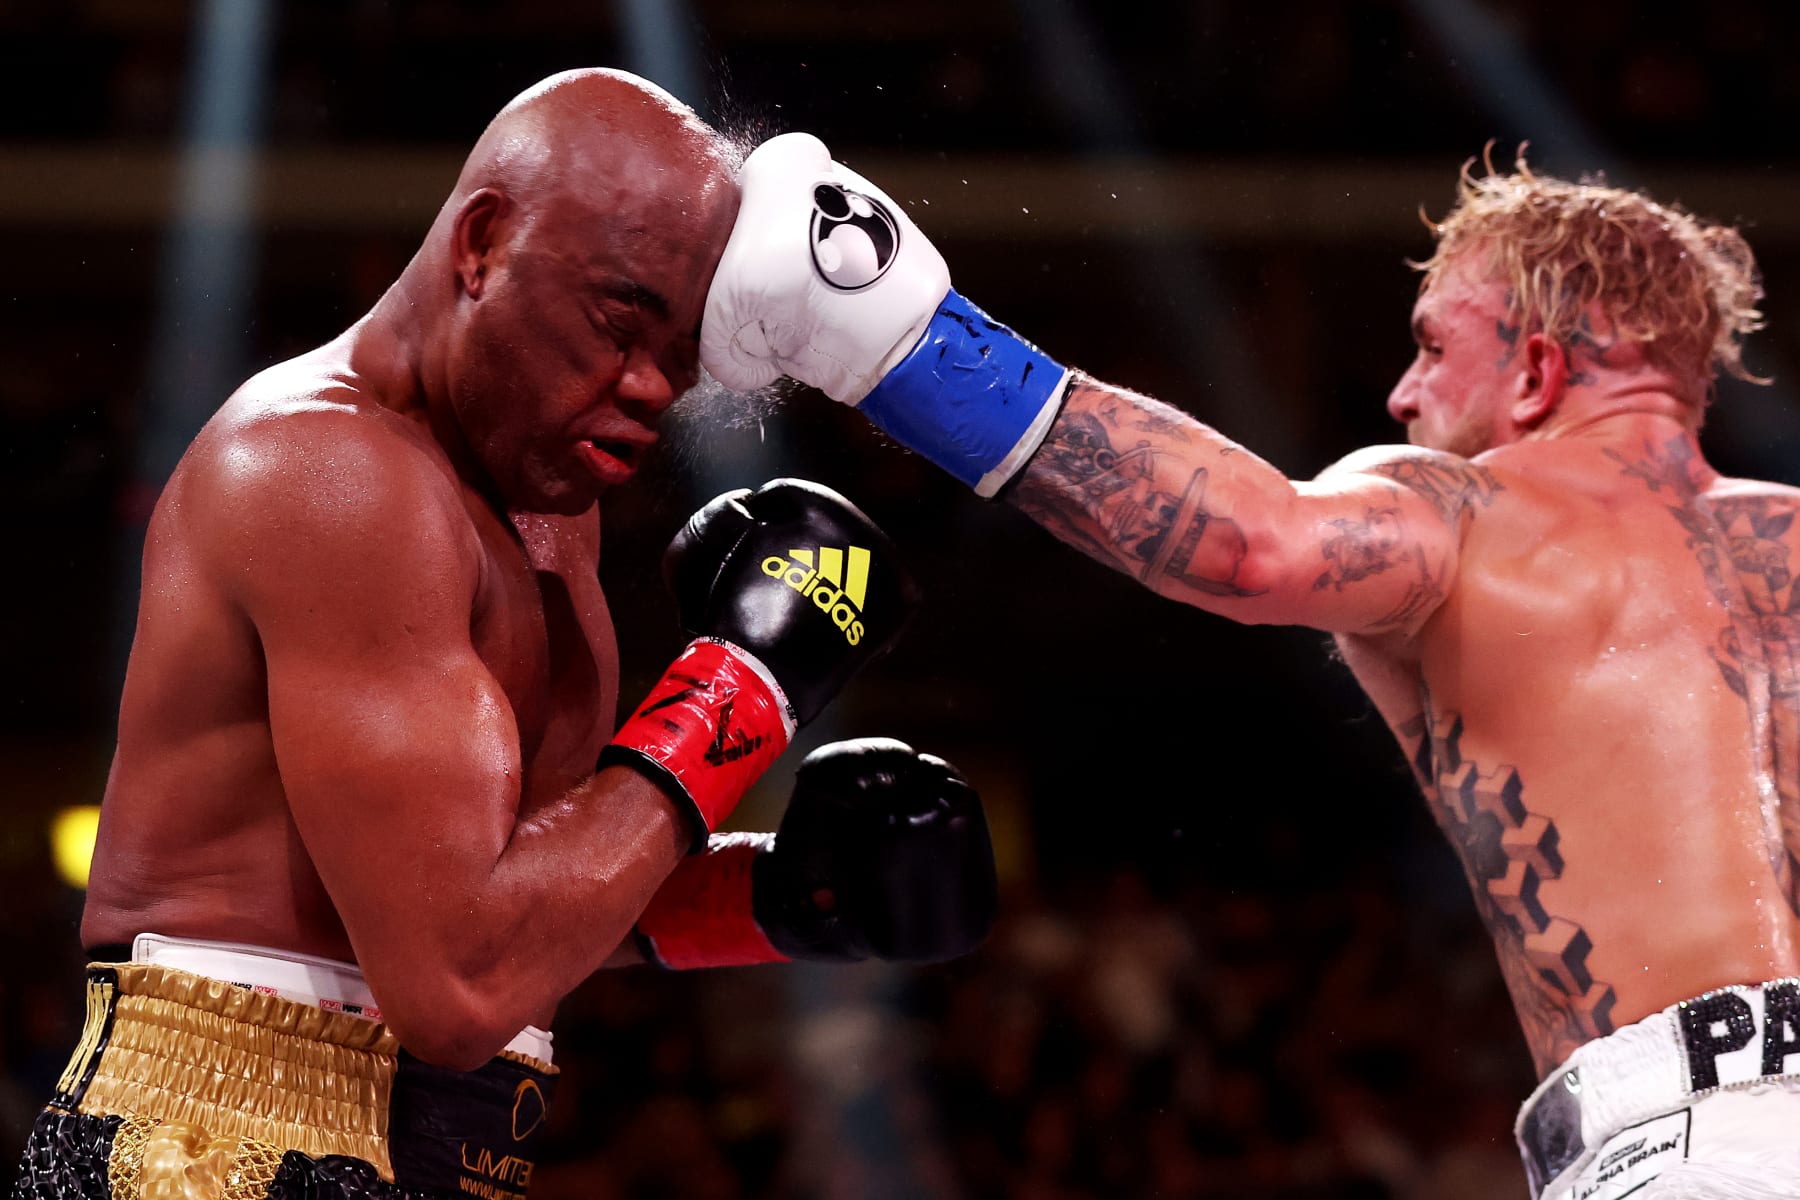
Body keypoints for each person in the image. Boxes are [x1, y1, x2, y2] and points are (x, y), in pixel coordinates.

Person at [700, 133, 1800, 1197]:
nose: (1403, 397)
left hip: (1690, 1148)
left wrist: (887, 329)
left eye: (1430, 345)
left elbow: (1248, 543)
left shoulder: (1470, 515)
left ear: (1538, 370)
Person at [12, 73, 999, 1200]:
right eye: (619, 321)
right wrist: (744, 686)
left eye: (681, 357)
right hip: (207, 1144)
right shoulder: (335, 477)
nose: (648, 389)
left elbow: (512, 904)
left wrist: (779, 898)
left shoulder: (545, 501)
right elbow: (459, 986)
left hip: (442, 1145)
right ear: (482, 243)